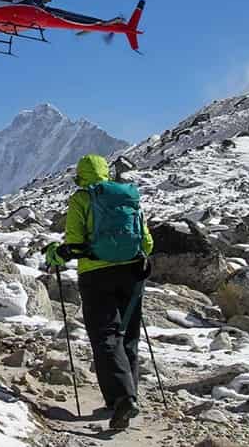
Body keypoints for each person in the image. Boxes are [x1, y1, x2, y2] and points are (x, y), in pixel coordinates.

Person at [44, 154, 154, 430]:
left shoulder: (81, 199)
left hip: (96, 275)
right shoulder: (128, 196)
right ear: (106, 173)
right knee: (128, 335)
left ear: (81, 175)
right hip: (132, 273)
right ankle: (127, 397)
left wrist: (56, 255)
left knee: (105, 335)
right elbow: (147, 241)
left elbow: (75, 243)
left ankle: (121, 399)